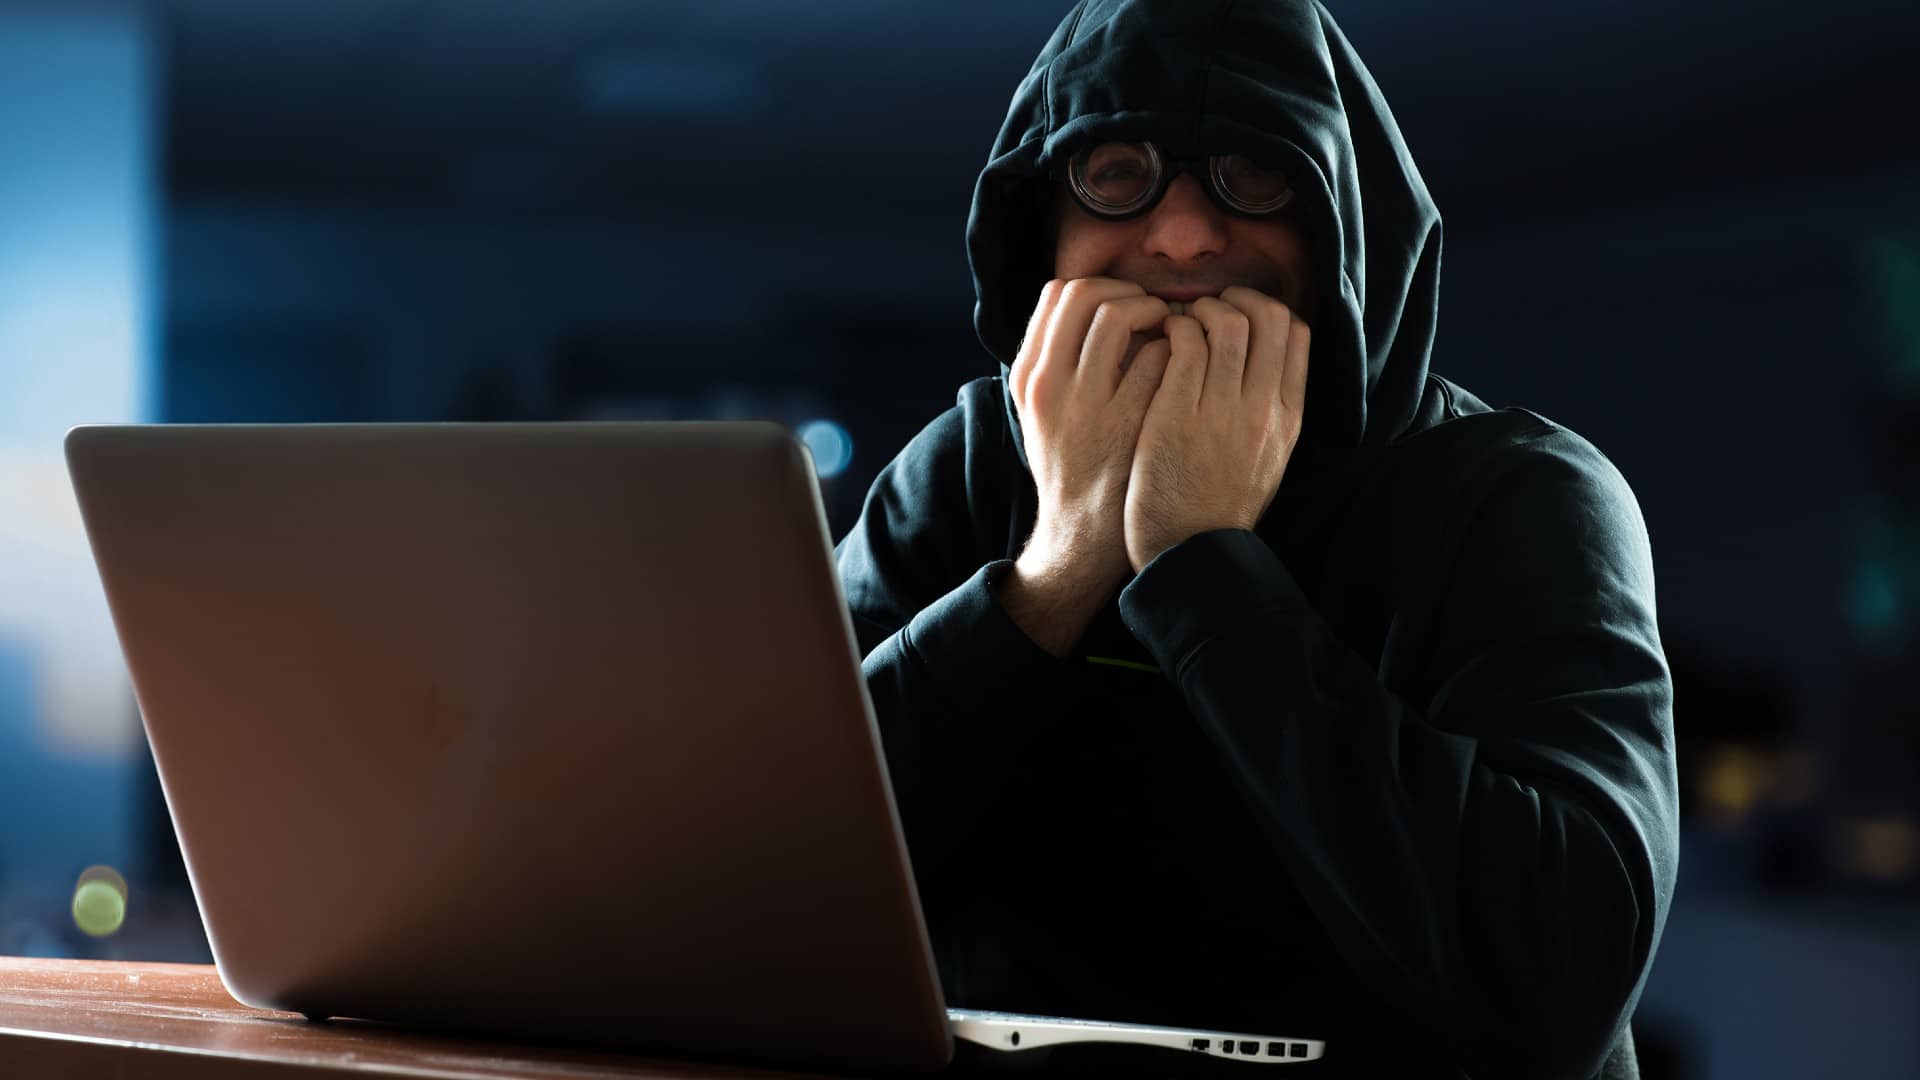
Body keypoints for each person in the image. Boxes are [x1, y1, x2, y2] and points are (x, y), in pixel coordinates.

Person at [832, 1, 1678, 1077]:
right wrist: (1061, 566)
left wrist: (1201, 569)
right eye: (1117, 170)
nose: (1183, 234)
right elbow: (770, 877)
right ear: (1040, 221)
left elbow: (1556, 990)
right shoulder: (968, 468)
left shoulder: (1517, 498)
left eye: (1255, 174)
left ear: (1344, 222)